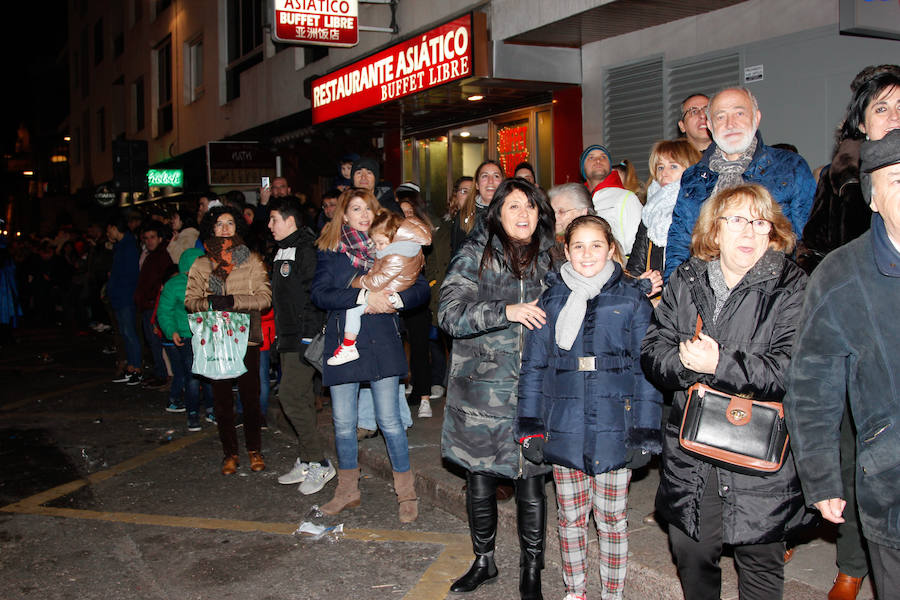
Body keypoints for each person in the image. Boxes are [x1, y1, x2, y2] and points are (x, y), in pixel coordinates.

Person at [641, 183, 811, 600]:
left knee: (761, 562)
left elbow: (792, 369)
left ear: (773, 232)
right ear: (714, 231)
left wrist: (719, 364)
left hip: (761, 450)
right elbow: (652, 348)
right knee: (691, 554)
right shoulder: (686, 279)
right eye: (736, 220)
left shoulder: (792, 285)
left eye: (759, 222)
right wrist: (682, 363)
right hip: (691, 450)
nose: (749, 233)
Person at [793, 66, 899, 600]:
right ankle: (853, 563)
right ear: (861, 120)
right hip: (850, 323)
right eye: (882, 107)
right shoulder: (839, 173)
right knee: (855, 455)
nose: (895, 115)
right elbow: (810, 247)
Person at [516, 215, 662, 600]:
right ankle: (575, 591)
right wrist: (530, 425)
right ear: (565, 251)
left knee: (612, 519)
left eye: (596, 245)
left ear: (611, 249)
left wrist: (645, 432)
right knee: (570, 518)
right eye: (578, 245)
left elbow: (646, 370)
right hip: (564, 424)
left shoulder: (631, 299)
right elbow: (534, 366)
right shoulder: (551, 298)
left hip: (616, 424)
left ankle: (612, 593)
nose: (587, 254)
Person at [439, 178, 555, 600]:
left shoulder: (553, 257)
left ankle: (532, 569)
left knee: (531, 481)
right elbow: (449, 314)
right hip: (481, 392)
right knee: (481, 479)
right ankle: (484, 560)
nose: (524, 215)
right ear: (497, 214)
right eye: (513, 207)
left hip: (534, 391)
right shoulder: (476, 254)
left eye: (530, 206)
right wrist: (505, 311)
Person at [310, 188, 429, 523]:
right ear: (343, 215)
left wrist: (395, 301)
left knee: (390, 421)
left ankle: (406, 492)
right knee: (344, 423)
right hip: (343, 344)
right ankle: (348, 490)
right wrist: (363, 296)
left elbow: (420, 287)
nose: (363, 215)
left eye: (368, 209)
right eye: (355, 209)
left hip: (381, 340)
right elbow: (320, 294)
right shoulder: (330, 250)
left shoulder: (391, 244)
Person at [664, 86, 816, 280]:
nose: (730, 124)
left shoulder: (790, 166)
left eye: (739, 113)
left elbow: (809, 241)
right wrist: (673, 294)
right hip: (706, 292)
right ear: (710, 125)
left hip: (773, 292)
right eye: (720, 117)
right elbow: (680, 242)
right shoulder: (694, 177)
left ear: (756, 118)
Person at [185, 206, 272, 475]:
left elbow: (265, 298)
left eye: (230, 223)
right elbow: (190, 301)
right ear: (211, 229)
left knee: (250, 397)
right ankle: (229, 453)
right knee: (222, 400)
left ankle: (254, 450)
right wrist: (210, 303)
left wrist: (233, 301)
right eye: (219, 224)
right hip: (216, 339)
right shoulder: (201, 263)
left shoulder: (252, 260)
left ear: (238, 228)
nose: (225, 228)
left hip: (247, 338)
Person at [267, 196, 335, 495]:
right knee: (303, 399)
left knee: (289, 396)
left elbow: (312, 296)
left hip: (302, 338)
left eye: (274, 220)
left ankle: (320, 462)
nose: (269, 226)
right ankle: (306, 460)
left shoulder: (307, 248)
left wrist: (309, 335)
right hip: (287, 336)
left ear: (289, 220)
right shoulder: (282, 248)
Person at [327, 211, 432, 366]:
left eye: (381, 243)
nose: (377, 248)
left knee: (353, 310)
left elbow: (377, 282)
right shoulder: (399, 250)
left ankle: (349, 346)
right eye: (375, 243)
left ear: (395, 238)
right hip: (392, 290)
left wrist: (355, 282)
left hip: (391, 293)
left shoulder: (397, 255)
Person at [626, 139, 701, 289]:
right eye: (660, 167)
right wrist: (638, 285)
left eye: (673, 166)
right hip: (656, 294)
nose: (664, 174)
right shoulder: (651, 209)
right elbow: (637, 261)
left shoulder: (700, 208)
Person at [156, 248, 205, 430]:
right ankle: (192, 413)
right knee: (192, 376)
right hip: (186, 336)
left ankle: (210, 408)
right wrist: (172, 331)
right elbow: (164, 311)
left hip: (206, 335)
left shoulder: (208, 282)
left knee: (208, 375)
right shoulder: (175, 284)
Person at [580, 144, 642, 256]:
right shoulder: (576, 201)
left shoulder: (626, 197)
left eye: (603, 157)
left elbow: (640, 245)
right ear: (582, 168)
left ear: (610, 166)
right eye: (591, 157)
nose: (598, 160)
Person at [134, 221, 173, 390]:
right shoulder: (152, 256)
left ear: (159, 238)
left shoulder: (161, 256)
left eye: (152, 238)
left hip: (153, 304)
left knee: (156, 341)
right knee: (153, 341)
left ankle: (162, 374)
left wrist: (151, 298)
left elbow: (162, 281)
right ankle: (159, 373)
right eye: (146, 238)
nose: (149, 241)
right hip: (147, 303)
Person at [106, 215, 142, 385]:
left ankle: (136, 368)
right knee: (125, 333)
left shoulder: (127, 247)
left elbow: (129, 274)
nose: (107, 233)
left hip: (125, 296)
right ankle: (131, 367)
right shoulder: (121, 246)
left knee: (129, 333)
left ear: (114, 228)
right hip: (120, 296)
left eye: (108, 229)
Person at [547, 183, 593, 268]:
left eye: (561, 212)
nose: (554, 218)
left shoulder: (600, 244)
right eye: (552, 212)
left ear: (582, 212)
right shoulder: (547, 245)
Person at [448, 175, 475, 255]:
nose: (470, 196)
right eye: (464, 191)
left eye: (473, 192)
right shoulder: (444, 227)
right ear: (455, 196)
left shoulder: (482, 225)